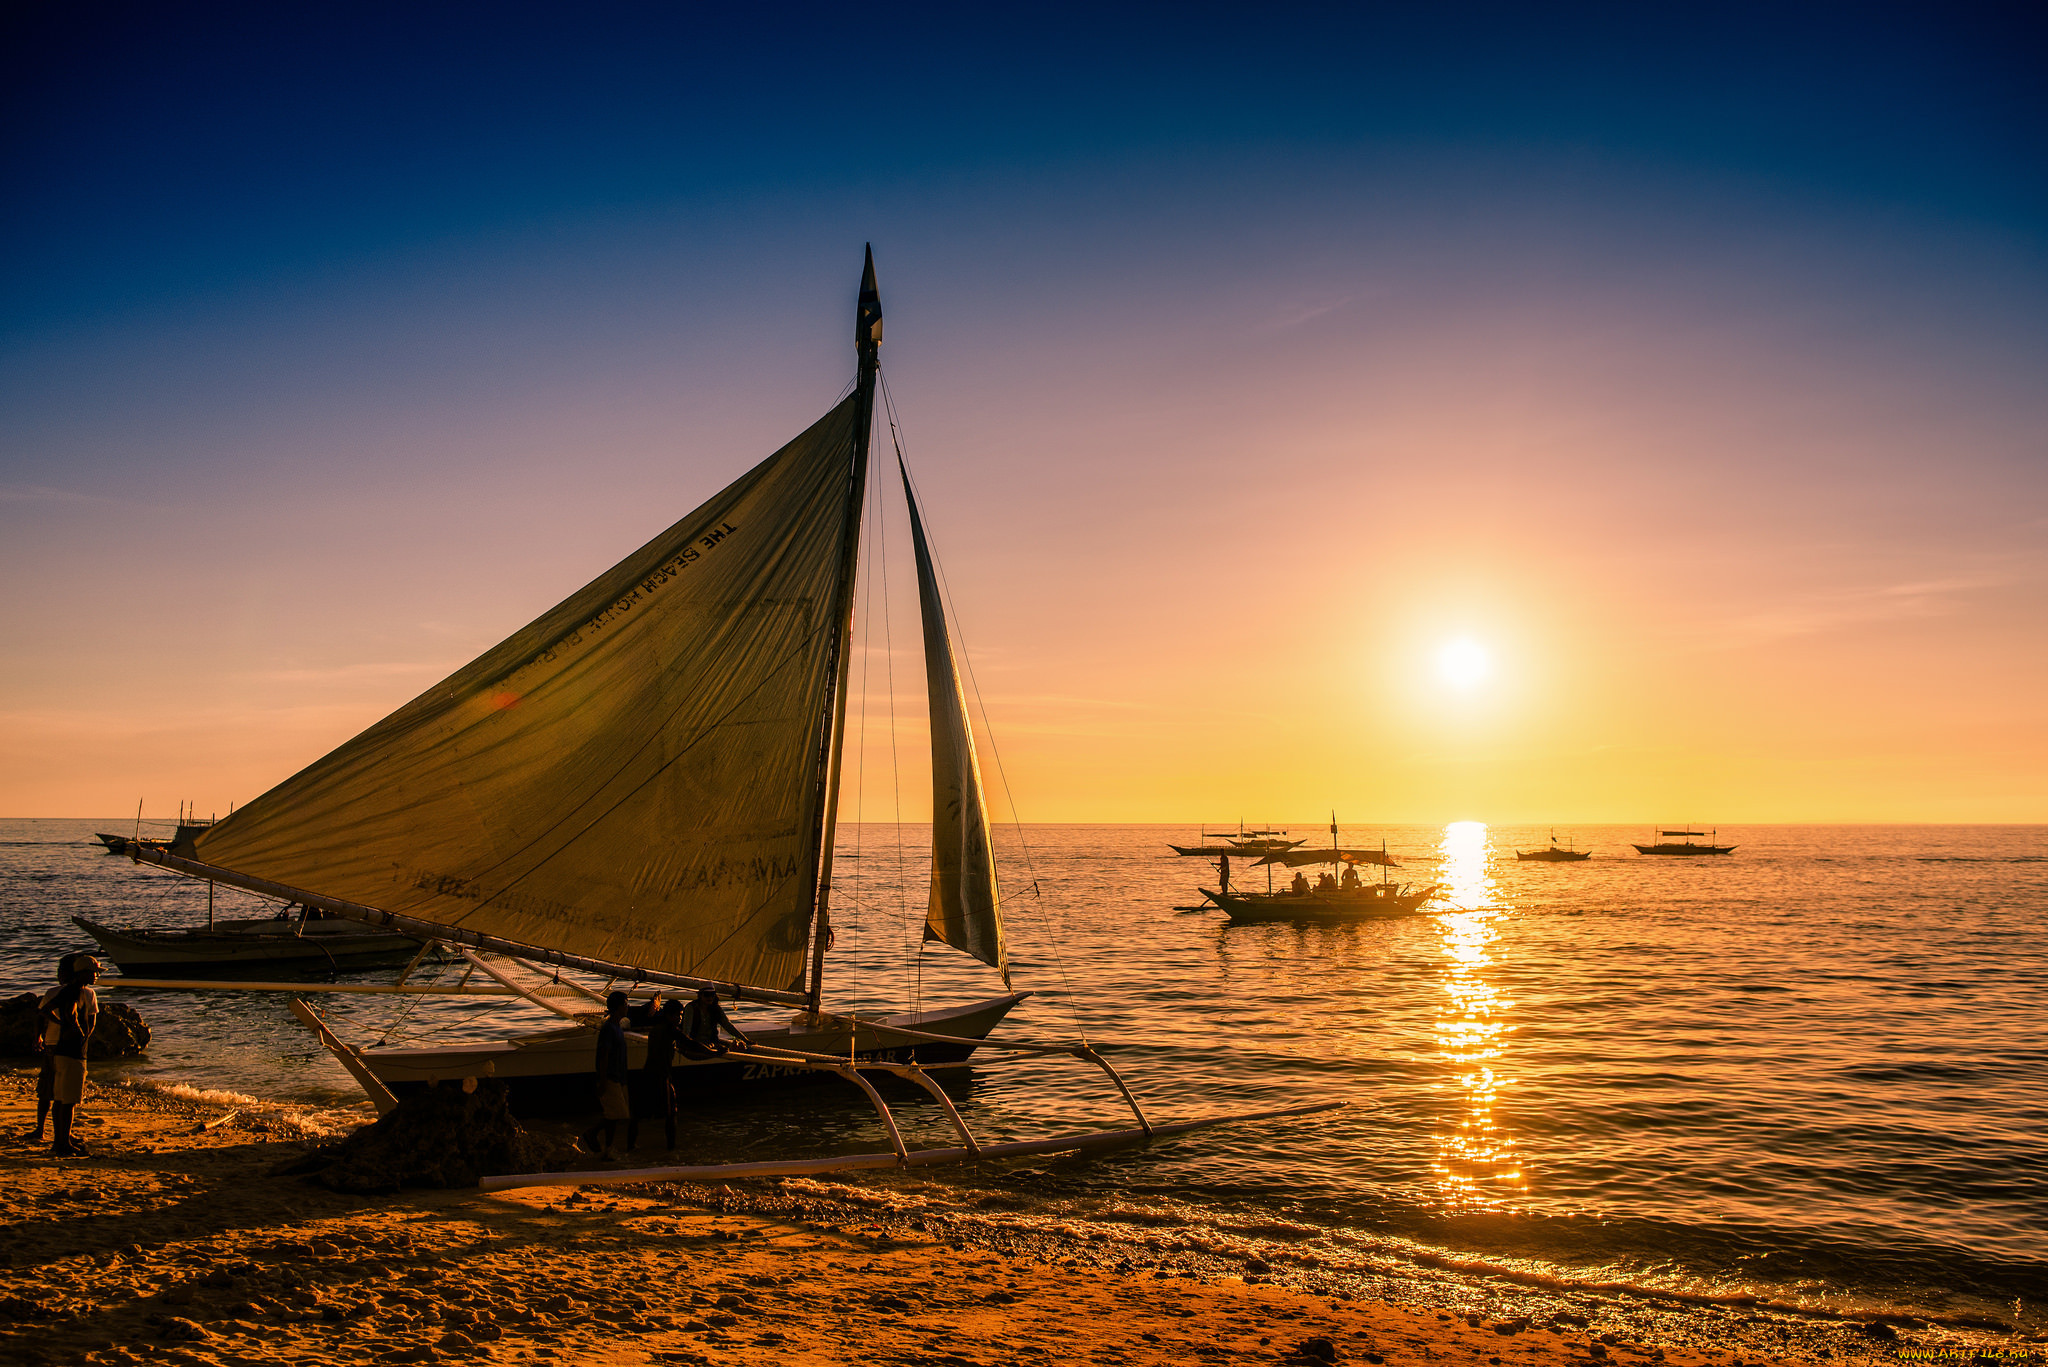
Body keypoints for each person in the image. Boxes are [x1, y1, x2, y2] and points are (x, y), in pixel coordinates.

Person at [41, 954, 100, 1157]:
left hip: (61, 1051)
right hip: (72, 1052)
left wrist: (60, 1024)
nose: (96, 976)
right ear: (82, 973)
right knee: (69, 1102)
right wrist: (76, 1029)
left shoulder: (67, 990)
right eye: (94, 973)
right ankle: (62, 1144)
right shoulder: (77, 991)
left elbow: (46, 1009)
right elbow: (73, 1013)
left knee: (59, 1099)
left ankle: (60, 1141)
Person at [29, 954, 81, 1143]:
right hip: (71, 1046)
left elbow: (40, 1016)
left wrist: (38, 1037)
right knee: (63, 1093)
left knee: (47, 1091)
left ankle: (41, 1129)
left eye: (60, 971)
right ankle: (63, 1133)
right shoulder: (86, 993)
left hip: (53, 1044)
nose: (58, 974)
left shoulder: (54, 992)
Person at [630, 996, 684, 1154]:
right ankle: (671, 1149)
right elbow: (689, 1042)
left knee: (637, 1115)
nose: (680, 1018)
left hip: (648, 1073)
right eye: (678, 1015)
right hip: (660, 1076)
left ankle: (630, 1147)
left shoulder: (657, 1028)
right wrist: (715, 1051)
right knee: (671, 1114)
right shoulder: (670, 1029)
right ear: (669, 1015)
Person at [592, 990, 632, 1160]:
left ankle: (607, 1148)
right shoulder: (609, 1028)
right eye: (625, 1004)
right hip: (610, 1077)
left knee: (617, 1115)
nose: (627, 1007)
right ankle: (592, 1134)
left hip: (619, 1076)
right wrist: (602, 1081)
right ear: (618, 1008)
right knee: (616, 1114)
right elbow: (603, 1055)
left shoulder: (617, 1027)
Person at [679, 987, 753, 1059]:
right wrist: (686, 1047)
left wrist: (745, 1040)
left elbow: (728, 1026)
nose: (710, 997)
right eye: (706, 994)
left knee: (739, 1046)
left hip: (711, 1042)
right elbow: (686, 1030)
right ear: (700, 995)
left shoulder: (716, 1009)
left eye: (712, 994)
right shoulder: (691, 1008)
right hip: (696, 1043)